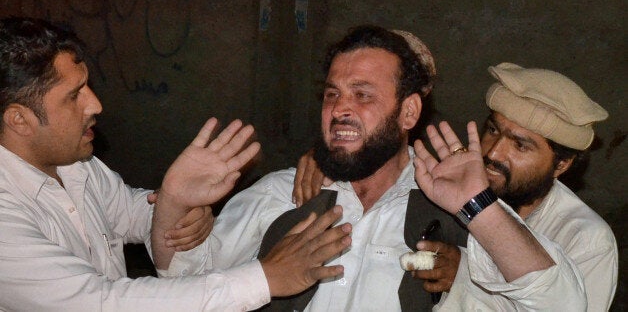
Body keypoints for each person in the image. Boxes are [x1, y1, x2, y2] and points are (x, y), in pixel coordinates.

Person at [156, 26, 585, 311]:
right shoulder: (284, 192)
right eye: (331, 94)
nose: (339, 108)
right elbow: (182, 275)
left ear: (409, 110)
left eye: (362, 95)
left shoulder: (458, 204)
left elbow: (562, 303)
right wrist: (174, 201)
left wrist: (477, 206)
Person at [0, 16, 352, 311]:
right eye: (74, 96)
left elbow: (130, 212)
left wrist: (176, 200)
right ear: (19, 120)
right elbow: (101, 302)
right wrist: (266, 277)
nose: (95, 105)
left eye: (88, 86)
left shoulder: (74, 164)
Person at [295, 63, 617, 311]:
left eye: (520, 146)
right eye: (493, 130)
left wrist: (461, 280)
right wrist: (336, 159)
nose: (492, 153)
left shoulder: (585, 239)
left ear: (561, 165)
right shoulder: (450, 185)